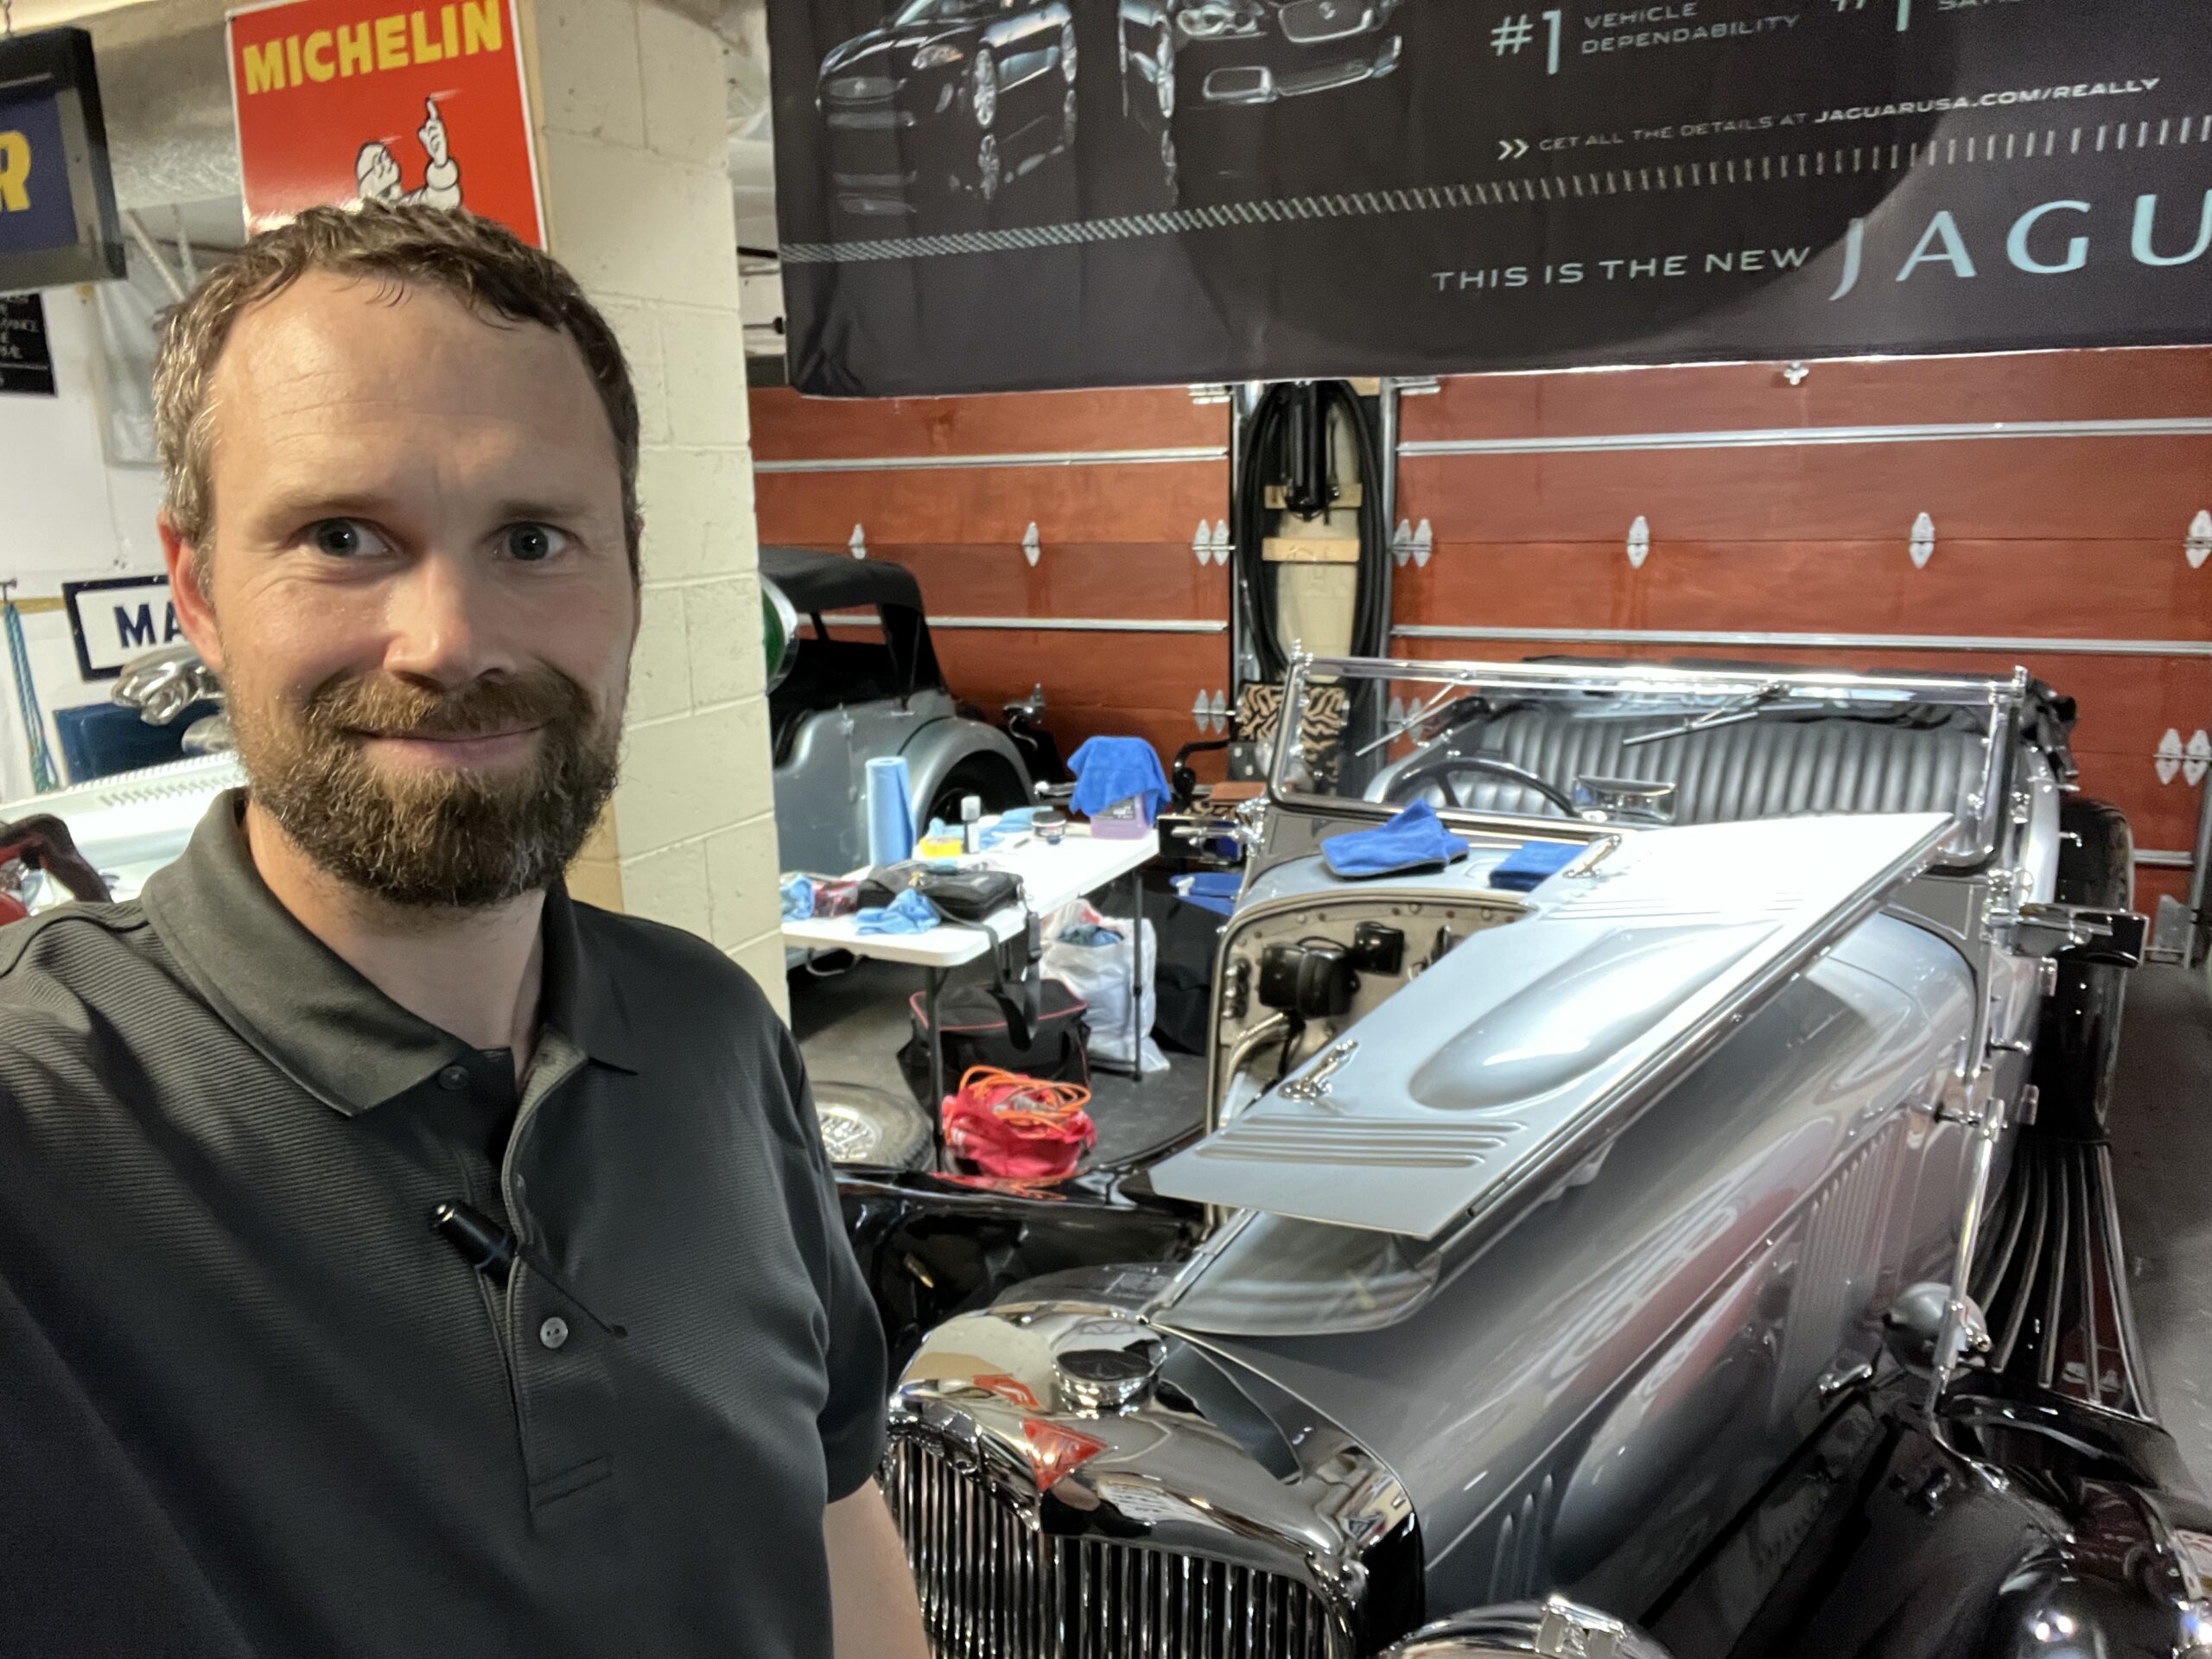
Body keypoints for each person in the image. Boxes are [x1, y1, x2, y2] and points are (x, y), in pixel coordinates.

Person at [0, 204, 929, 1659]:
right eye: (343, 536)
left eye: (533, 537)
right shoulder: (42, 1119)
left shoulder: (711, 1032)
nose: (449, 638)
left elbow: (834, 1517)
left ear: (628, 569)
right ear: (198, 590)